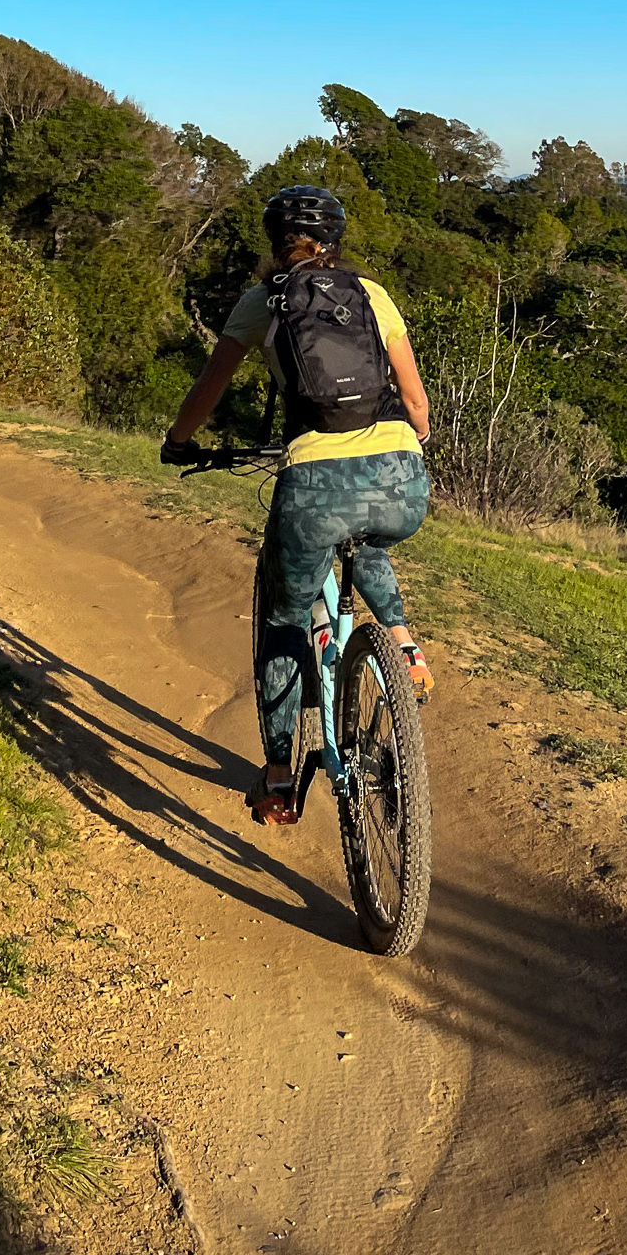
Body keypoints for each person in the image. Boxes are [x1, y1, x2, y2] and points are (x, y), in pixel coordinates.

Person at [162, 184, 433, 826]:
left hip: (313, 483)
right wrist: (410, 440)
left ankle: (281, 777)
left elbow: (211, 383)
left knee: (285, 622)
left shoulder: (265, 300)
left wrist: (179, 441)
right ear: (336, 239)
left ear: (274, 241)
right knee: (369, 538)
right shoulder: (372, 294)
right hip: (401, 476)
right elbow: (415, 398)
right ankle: (403, 645)